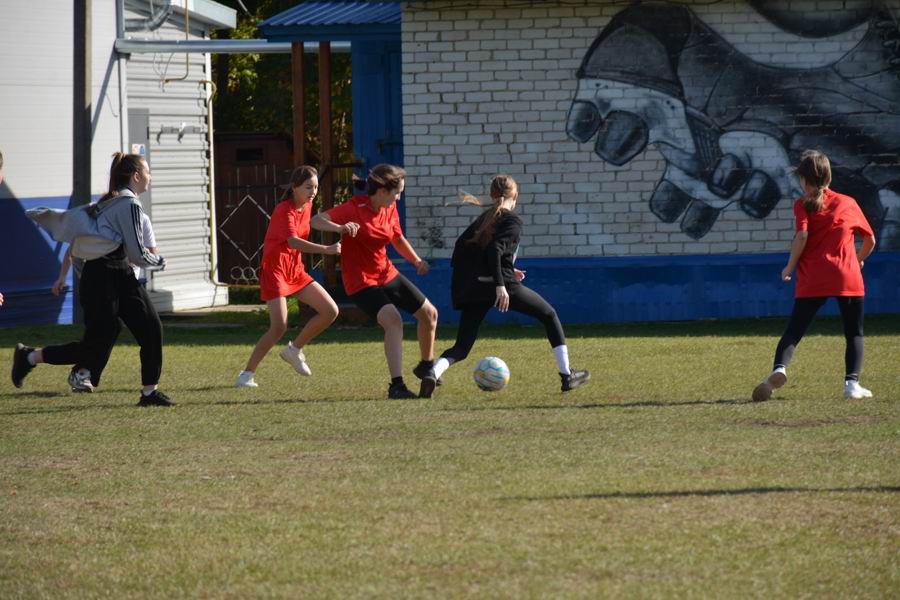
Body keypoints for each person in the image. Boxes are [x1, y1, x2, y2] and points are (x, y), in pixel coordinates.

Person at [13, 152, 172, 406]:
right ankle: (29, 357)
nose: (150, 177)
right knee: (97, 344)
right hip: (105, 277)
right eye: (148, 172)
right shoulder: (128, 204)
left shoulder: (108, 204)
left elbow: (79, 248)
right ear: (136, 176)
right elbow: (138, 253)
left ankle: (149, 393)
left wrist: (81, 274)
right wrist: (160, 261)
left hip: (116, 274)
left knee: (151, 329)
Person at [419, 175, 590, 399]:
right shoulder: (512, 221)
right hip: (501, 286)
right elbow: (495, 251)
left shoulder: (483, 220)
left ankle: (433, 372)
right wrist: (500, 284)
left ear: (492, 196)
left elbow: (465, 250)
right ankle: (567, 375)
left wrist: (503, 270)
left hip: (475, 287)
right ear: (515, 196)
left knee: (462, 346)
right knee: (549, 314)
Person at [752, 150, 876, 402]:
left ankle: (779, 369)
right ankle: (852, 385)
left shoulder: (802, 204)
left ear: (803, 180)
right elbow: (870, 239)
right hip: (846, 276)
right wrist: (858, 259)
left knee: (794, 330)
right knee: (854, 333)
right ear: (828, 177)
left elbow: (802, 236)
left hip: (813, 277)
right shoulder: (848, 202)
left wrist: (789, 267)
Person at [311, 164, 438, 399]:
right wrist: (340, 227)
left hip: (386, 273)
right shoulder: (354, 208)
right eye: (396, 192)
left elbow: (397, 239)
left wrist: (416, 261)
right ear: (381, 191)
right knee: (393, 321)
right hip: (361, 281)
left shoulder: (389, 209)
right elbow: (316, 221)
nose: (398, 197)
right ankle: (396, 386)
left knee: (430, 314)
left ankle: (426, 366)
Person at [236, 166, 343, 388]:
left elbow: (315, 221)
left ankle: (294, 350)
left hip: (294, 269)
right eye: (308, 187)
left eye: (315, 187)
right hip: (275, 270)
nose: (313, 191)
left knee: (330, 310)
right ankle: (246, 375)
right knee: (279, 327)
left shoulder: (307, 205)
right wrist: (327, 249)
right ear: (294, 188)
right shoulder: (283, 210)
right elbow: (293, 241)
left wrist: (340, 227)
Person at [51, 213, 159, 393]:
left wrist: (131, 258)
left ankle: (78, 371)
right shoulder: (100, 220)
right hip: (100, 285)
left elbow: (150, 253)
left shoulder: (141, 219)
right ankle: (78, 372)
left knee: (115, 330)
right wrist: (62, 277)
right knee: (105, 331)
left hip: (127, 284)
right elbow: (72, 250)